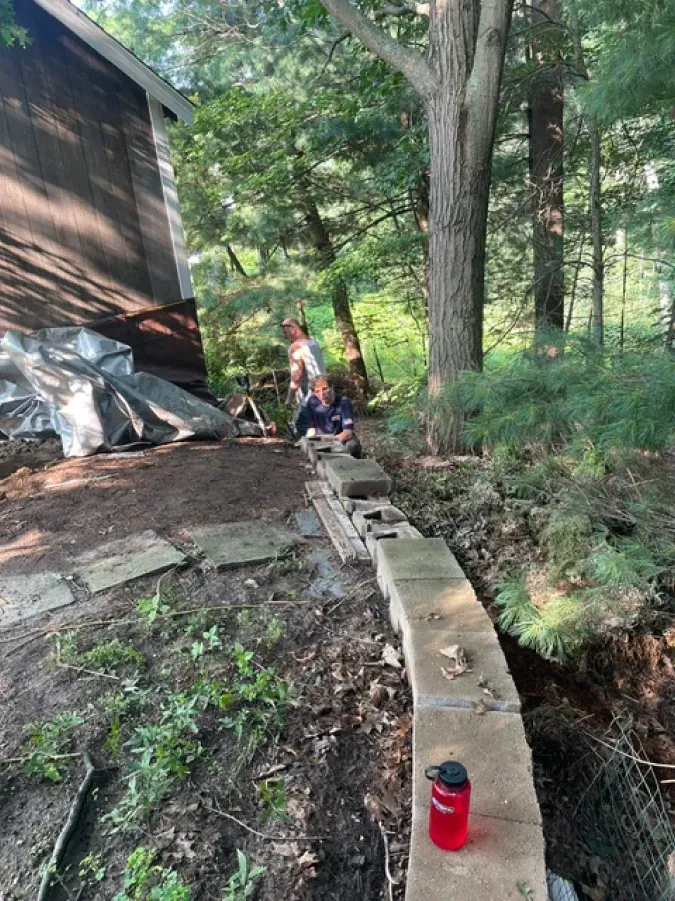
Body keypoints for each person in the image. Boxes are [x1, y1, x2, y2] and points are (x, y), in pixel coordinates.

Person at [281, 315, 327, 436]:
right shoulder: (313, 343)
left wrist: (288, 399)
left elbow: (296, 377)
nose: (285, 337)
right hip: (327, 391)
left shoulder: (296, 347)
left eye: (286, 333)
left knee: (300, 429)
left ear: (293, 329)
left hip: (312, 395)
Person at [306, 374, 362, 458]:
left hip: (340, 439)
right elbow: (311, 428)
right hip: (321, 440)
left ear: (332, 387)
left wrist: (330, 442)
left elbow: (348, 433)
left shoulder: (343, 402)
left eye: (325, 389)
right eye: (317, 391)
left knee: (353, 445)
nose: (322, 393)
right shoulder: (312, 402)